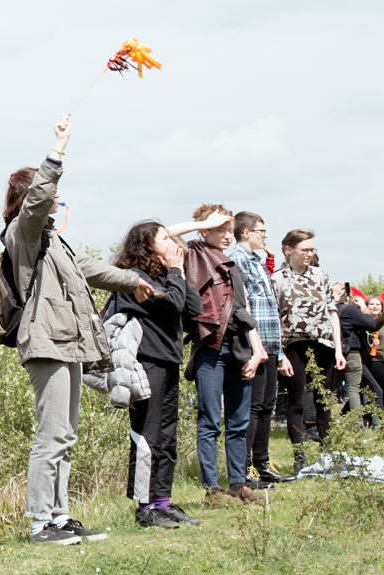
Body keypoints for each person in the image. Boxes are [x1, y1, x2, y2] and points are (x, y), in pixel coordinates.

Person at [3, 116, 153, 546]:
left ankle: (60, 516)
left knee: (66, 435)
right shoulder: (24, 234)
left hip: (68, 344)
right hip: (46, 343)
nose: (56, 200)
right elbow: (36, 204)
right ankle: (38, 522)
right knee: (50, 435)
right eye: (48, 193)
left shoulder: (54, 240)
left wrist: (135, 280)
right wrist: (58, 151)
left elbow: (90, 269)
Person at [108, 221, 199, 528]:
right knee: (149, 436)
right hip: (146, 364)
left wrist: (179, 272)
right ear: (146, 245)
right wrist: (175, 272)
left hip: (168, 361)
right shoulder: (136, 279)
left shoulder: (165, 276)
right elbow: (173, 303)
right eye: (165, 237)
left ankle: (162, 501)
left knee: (168, 436)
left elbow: (193, 306)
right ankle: (145, 507)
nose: (172, 242)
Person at [175, 204, 266, 503]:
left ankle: (238, 484)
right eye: (219, 229)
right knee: (210, 420)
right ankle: (211, 489)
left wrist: (257, 352)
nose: (227, 235)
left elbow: (243, 311)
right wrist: (200, 224)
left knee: (239, 421)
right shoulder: (193, 253)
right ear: (204, 230)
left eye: (229, 230)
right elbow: (164, 233)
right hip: (210, 347)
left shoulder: (233, 265)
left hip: (239, 347)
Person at [226, 212, 295, 484]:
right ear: (246, 233)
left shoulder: (257, 260)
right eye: (261, 231)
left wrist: (279, 350)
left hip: (271, 341)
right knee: (252, 407)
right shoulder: (238, 259)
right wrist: (254, 346)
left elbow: (269, 305)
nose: (265, 236)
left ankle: (262, 463)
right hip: (252, 343)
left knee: (267, 405)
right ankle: (243, 468)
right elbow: (243, 306)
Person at [271, 229, 346, 469]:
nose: (309, 254)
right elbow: (275, 318)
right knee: (297, 402)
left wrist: (338, 349)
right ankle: (299, 458)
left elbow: (332, 311)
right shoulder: (279, 279)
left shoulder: (321, 276)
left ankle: (329, 456)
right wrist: (280, 355)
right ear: (289, 250)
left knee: (324, 400)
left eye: (312, 249)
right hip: (294, 345)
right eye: (305, 250)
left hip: (324, 344)